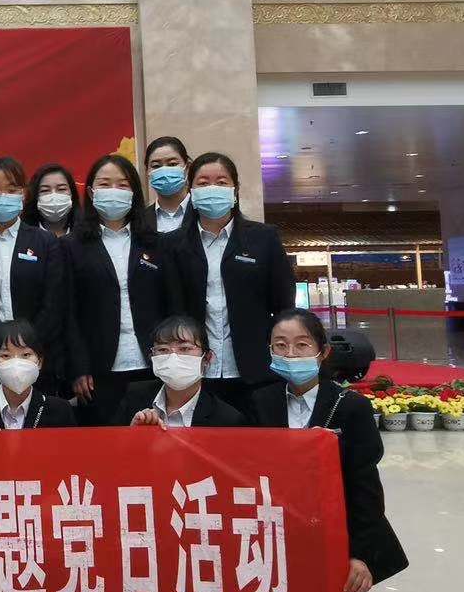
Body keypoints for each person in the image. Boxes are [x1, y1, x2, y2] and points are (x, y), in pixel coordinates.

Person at [253, 309, 407, 592]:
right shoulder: (260, 403)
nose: (290, 354)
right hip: (276, 522)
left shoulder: (350, 407)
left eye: (301, 345)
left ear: (322, 352)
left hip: (331, 524)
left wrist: (360, 555)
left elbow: (364, 488)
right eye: (280, 345)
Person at [162, 151, 296, 417]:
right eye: (203, 183)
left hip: (255, 370)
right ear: (191, 191)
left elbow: (283, 304)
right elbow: (170, 307)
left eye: (221, 182)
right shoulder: (172, 245)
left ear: (235, 190)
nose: (212, 188)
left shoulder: (263, 238)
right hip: (193, 373)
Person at [66, 154, 169, 425]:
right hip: (98, 370)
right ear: (91, 192)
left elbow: (170, 304)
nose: (114, 191)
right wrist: (78, 367)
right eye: (105, 184)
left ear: (134, 193)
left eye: (122, 185)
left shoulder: (156, 243)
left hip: (153, 365)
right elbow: (68, 312)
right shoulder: (71, 246)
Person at [0, 156, 69, 398]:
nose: (3, 196)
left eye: (11, 189)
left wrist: (26, 343)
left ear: (23, 194)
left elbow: (54, 301)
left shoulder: (44, 241)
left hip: (36, 358)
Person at [117, 314, 246, 427]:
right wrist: (133, 434)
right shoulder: (133, 398)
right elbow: (114, 443)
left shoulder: (227, 419)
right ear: (152, 357)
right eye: (163, 349)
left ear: (207, 358)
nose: (173, 357)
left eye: (185, 348)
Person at [0, 318, 76, 430]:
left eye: (26, 355)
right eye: (5, 355)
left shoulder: (60, 410)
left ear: (39, 362)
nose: (16, 363)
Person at [142, 136, 192, 234]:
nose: (164, 171)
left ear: (187, 168)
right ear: (147, 172)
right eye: (156, 166)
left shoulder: (204, 212)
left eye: (172, 164)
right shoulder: (140, 221)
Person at [22, 162, 80, 239]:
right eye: (45, 190)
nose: (53, 196)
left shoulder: (87, 234)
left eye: (61, 189)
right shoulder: (22, 235)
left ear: (72, 193)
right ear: (35, 196)